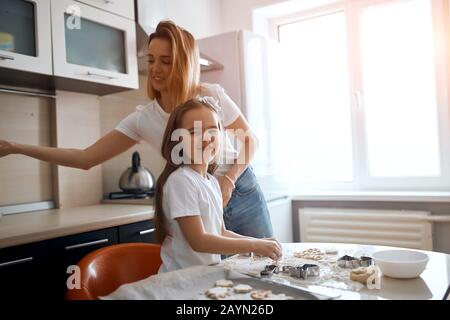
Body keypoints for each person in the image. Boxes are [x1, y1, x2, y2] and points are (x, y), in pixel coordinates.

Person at [0, 20, 273, 238]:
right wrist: (16, 147)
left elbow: (250, 140)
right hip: (198, 202)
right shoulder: (144, 119)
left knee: (268, 270)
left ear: (183, 64)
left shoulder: (209, 95)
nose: (155, 69)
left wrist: (229, 180)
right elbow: (84, 158)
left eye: (165, 61)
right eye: (151, 60)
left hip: (240, 190)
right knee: (222, 285)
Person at [155, 97, 281, 272]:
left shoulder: (212, 181)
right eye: (193, 132)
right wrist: (253, 245)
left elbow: (220, 232)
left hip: (204, 276)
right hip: (181, 279)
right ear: (177, 140)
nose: (206, 138)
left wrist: (260, 242)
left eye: (212, 130)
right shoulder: (181, 181)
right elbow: (199, 241)